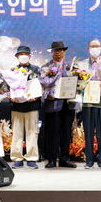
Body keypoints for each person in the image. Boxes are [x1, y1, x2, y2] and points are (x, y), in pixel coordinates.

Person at [40, 41, 76, 169]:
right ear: (52, 52)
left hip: (68, 103)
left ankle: (64, 159)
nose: (58, 52)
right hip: (53, 103)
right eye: (55, 50)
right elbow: (43, 83)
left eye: (61, 50)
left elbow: (77, 82)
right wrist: (47, 94)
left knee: (66, 132)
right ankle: (51, 159)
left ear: (64, 52)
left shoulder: (71, 66)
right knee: (52, 133)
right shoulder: (45, 67)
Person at [80, 39, 101, 169]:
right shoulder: (82, 64)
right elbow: (78, 82)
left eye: (97, 46)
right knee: (88, 132)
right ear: (88, 48)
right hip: (87, 102)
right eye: (92, 46)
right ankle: (89, 161)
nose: (95, 48)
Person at [9, 46, 41, 169]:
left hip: (32, 105)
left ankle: (31, 158)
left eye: (25, 54)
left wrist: (36, 96)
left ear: (29, 56)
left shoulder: (36, 69)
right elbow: (9, 86)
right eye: (20, 54)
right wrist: (11, 96)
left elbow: (41, 85)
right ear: (17, 56)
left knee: (32, 133)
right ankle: (17, 158)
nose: (23, 56)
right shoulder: (13, 70)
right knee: (17, 133)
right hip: (17, 106)